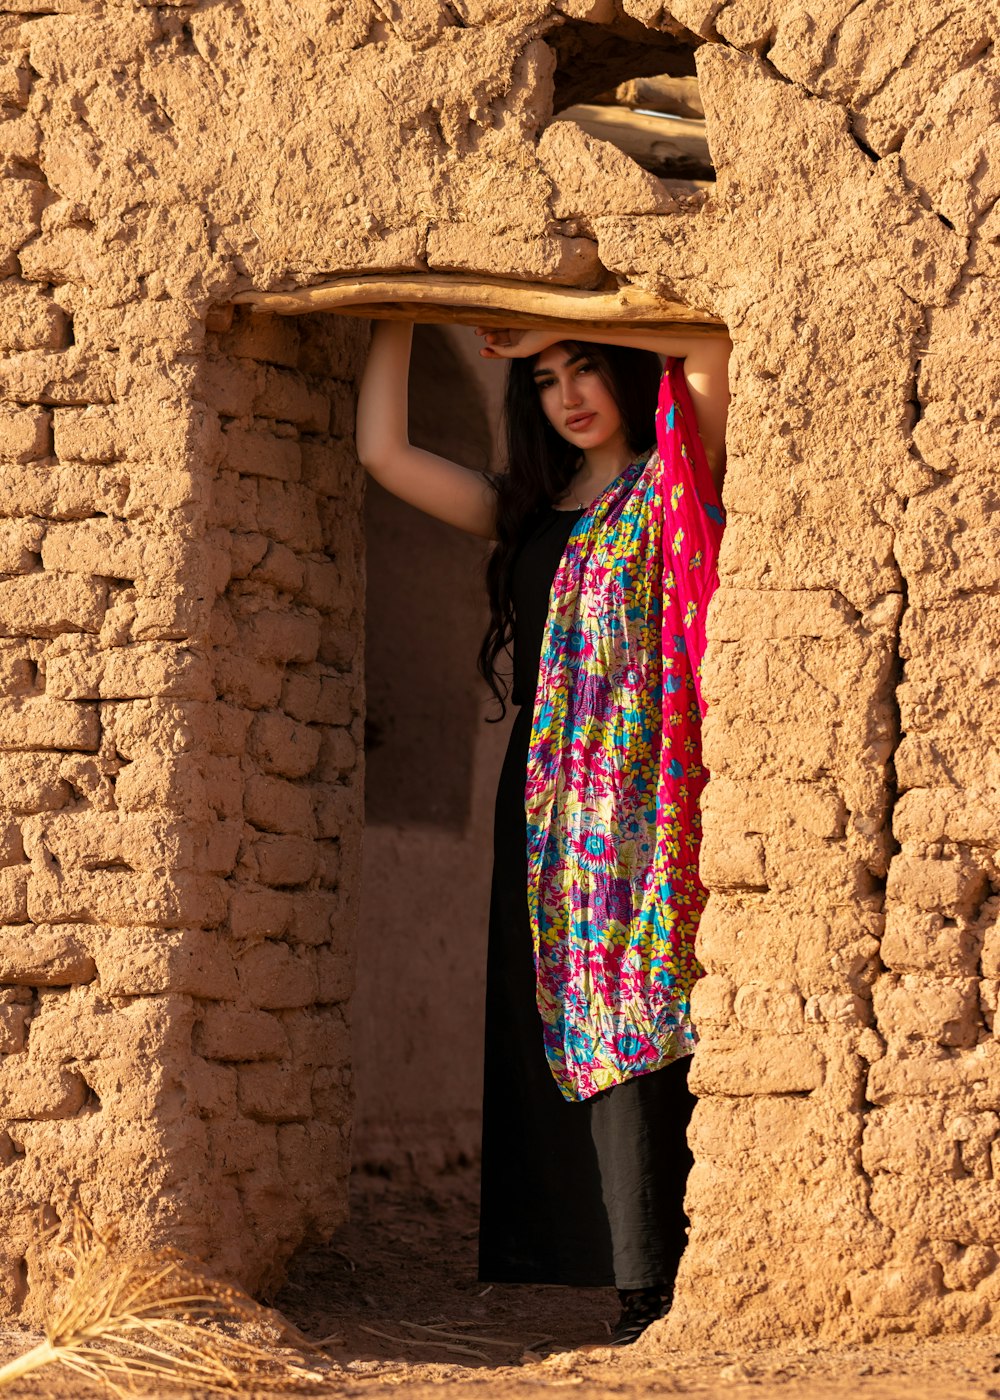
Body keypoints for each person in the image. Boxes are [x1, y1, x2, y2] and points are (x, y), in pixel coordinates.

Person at [356, 317, 731, 1346]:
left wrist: (573, 318)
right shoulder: (521, 511)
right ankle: (616, 1268)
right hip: (548, 812)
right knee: (567, 1022)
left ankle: (662, 1271)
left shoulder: (670, 481)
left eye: (585, 369)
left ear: (619, 369)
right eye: (548, 379)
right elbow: (383, 452)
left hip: (650, 795)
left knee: (650, 1010)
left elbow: (708, 347)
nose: (568, 393)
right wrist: (400, 307)